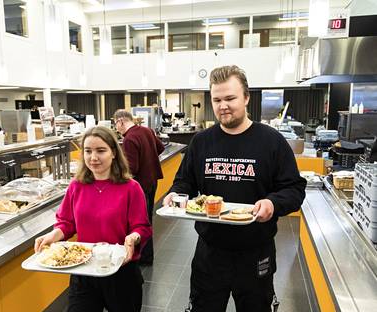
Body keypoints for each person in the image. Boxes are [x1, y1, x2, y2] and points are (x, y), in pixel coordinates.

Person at [163, 65, 306, 312]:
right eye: (217, 99)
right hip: (210, 252)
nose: (222, 106)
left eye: (230, 98)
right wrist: (176, 194)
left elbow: (294, 189)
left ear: (247, 97)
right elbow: (185, 180)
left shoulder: (271, 141)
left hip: (255, 252)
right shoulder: (202, 142)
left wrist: (273, 203)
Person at [35, 126, 152, 312]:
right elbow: (67, 222)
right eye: (88, 151)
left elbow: (142, 227)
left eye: (100, 150)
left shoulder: (131, 187)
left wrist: (132, 238)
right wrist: (53, 235)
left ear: (114, 152)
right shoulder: (76, 186)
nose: (93, 157)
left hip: (121, 272)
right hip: (84, 270)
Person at [114, 109, 165, 265]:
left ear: (121, 121)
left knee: (141, 223)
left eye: (115, 123)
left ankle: (144, 257)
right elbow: (161, 148)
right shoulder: (146, 130)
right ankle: (147, 256)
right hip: (152, 181)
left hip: (140, 186)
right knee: (148, 219)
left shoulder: (129, 139)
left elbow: (132, 169)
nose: (116, 128)